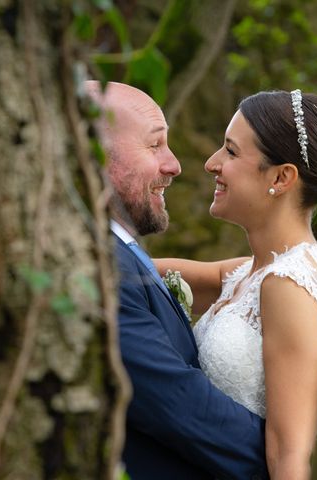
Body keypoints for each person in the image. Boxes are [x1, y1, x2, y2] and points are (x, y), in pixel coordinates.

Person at [155, 89, 317, 479]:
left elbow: (291, 454)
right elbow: (140, 268)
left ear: (281, 177)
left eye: (230, 151)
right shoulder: (250, 273)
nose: (212, 163)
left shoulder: (287, 286)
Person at [84, 80, 268, 480]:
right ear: (91, 153)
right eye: (155, 146)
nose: (175, 165)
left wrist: (302, 271)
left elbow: (236, 274)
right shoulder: (97, 268)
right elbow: (178, 403)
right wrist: (298, 457)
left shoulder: (122, 255)